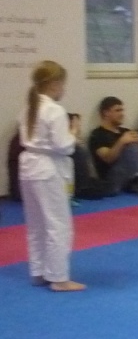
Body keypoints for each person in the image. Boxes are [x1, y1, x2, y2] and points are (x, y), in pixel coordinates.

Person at [17, 61, 85, 292]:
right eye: (63, 84)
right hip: (48, 169)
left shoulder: (28, 107)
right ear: (55, 84)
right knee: (58, 224)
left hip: (29, 167)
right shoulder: (54, 110)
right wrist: (74, 133)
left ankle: (38, 271)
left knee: (36, 224)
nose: (64, 88)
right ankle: (58, 277)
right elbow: (63, 146)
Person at [88, 96, 138, 198]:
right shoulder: (97, 134)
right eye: (117, 110)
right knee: (131, 147)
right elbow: (108, 158)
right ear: (106, 113)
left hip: (131, 174)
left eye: (122, 110)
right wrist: (122, 142)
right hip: (111, 179)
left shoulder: (126, 131)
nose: (122, 114)